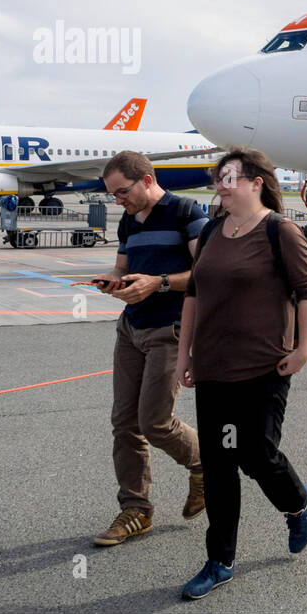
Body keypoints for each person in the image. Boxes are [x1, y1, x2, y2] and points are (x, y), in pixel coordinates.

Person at [176, 148, 307, 599]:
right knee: (220, 467)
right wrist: (185, 355)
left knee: (256, 454)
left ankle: (298, 504)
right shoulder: (213, 231)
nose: (220, 185)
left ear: (256, 182)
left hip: (264, 367)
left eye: (229, 178)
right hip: (214, 368)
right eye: (217, 178)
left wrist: (302, 349)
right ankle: (220, 561)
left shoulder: (281, 231)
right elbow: (194, 295)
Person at [92, 151, 209, 547]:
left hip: (171, 329)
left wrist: (158, 283)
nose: (117, 201)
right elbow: (122, 267)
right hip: (131, 328)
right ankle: (136, 510)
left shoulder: (187, 212)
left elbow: (207, 274)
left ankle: (203, 464)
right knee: (124, 422)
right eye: (111, 195)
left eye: (121, 192)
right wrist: (112, 280)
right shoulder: (128, 220)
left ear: (145, 180)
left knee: (154, 422)